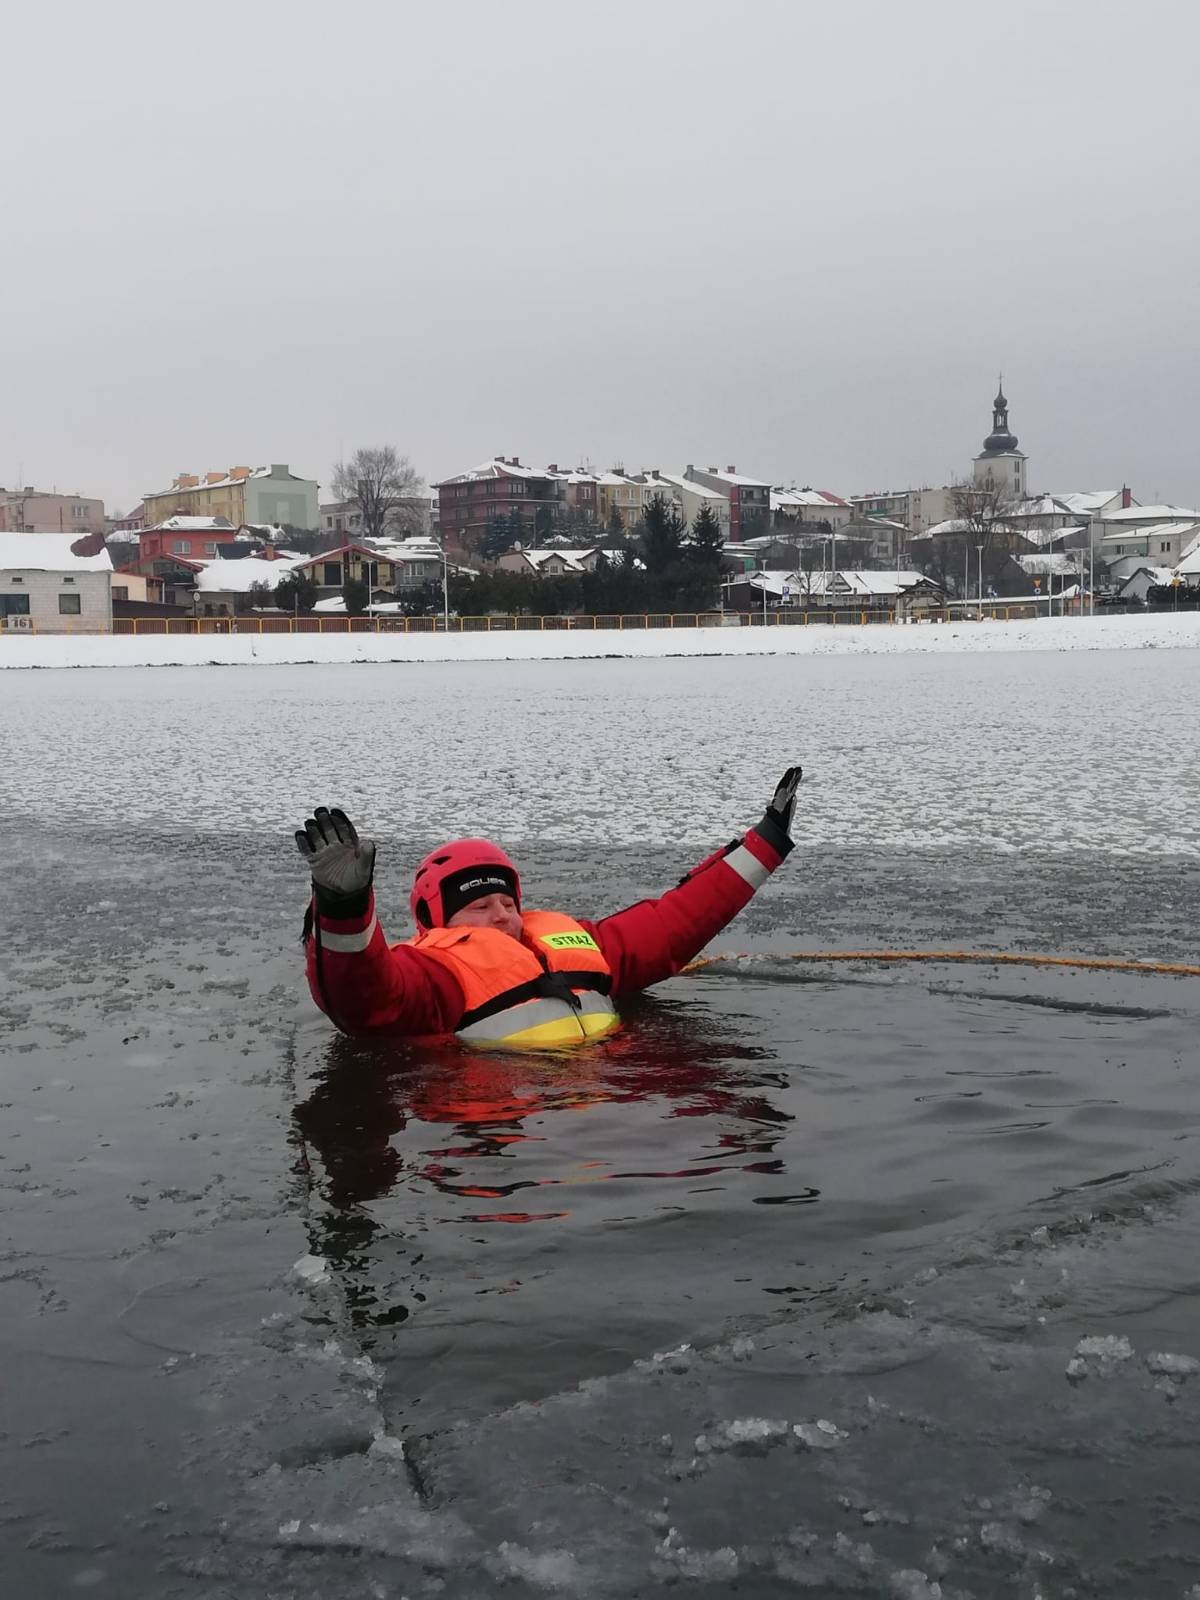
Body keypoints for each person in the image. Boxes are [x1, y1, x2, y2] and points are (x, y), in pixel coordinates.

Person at [295, 766, 801, 1048]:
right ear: (436, 922)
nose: (501, 915)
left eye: (506, 901)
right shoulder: (431, 977)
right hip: (519, 1129)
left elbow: (674, 924)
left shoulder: (576, 943)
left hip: (606, 1107)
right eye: (479, 907)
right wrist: (343, 906)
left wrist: (766, 844)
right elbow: (365, 998)